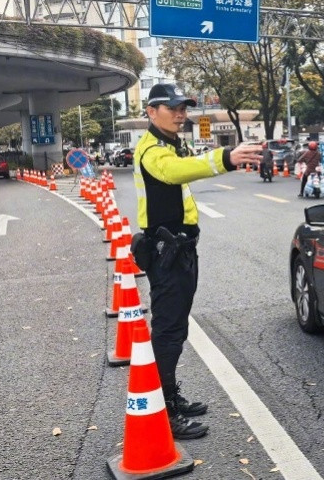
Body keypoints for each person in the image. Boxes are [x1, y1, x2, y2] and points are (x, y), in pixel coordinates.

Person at [133, 83, 262, 439]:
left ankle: (170, 397)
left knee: (176, 328)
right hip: (167, 252)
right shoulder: (152, 150)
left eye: (184, 108)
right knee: (169, 331)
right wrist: (226, 158)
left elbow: (184, 168)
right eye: (172, 107)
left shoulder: (172, 143)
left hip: (181, 249)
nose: (181, 114)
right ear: (151, 111)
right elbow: (176, 172)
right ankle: (164, 411)